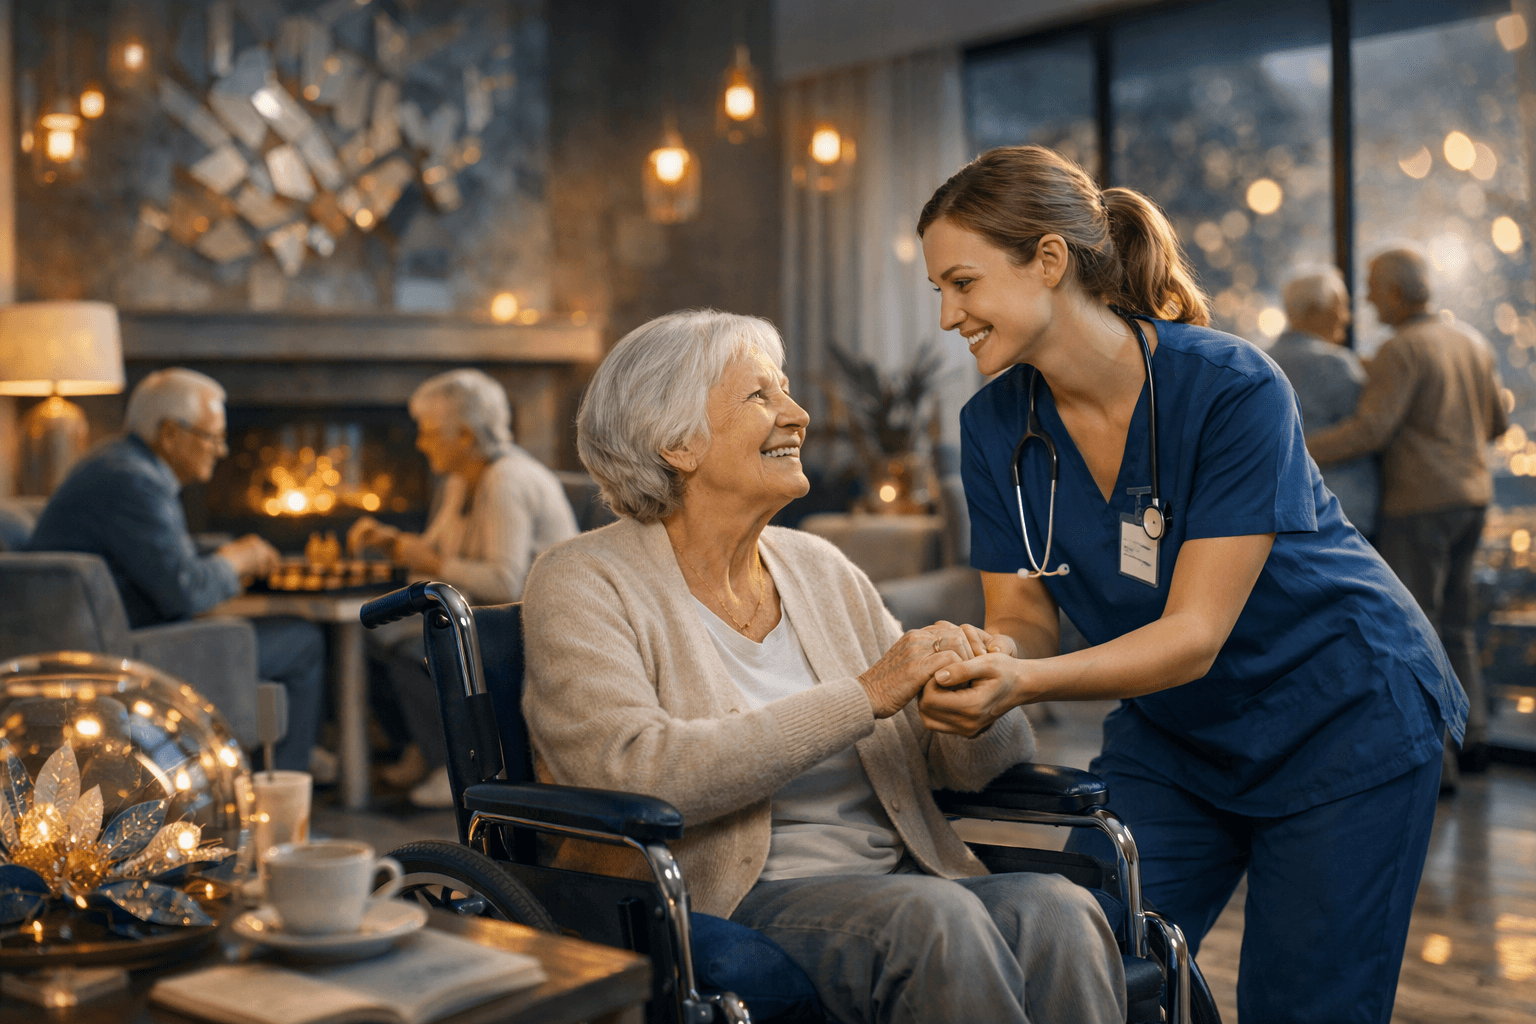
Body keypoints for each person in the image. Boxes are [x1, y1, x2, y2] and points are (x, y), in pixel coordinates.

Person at [914, 146, 1461, 1024]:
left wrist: (1026, 683)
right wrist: (984, 656)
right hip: (1181, 737)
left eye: (963, 283)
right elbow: (1023, 612)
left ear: (1049, 261)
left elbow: (1194, 632)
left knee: (1303, 1003)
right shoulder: (994, 426)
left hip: (1343, 713)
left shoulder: (1230, 387)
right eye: (938, 291)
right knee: (1087, 961)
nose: (949, 315)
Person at [522, 309, 1126, 1024]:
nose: (799, 415)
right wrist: (865, 696)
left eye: (786, 392)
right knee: (935, 922)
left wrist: (980, 701)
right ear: (677, 443)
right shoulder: (582, 580)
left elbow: (964, 771)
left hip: (897, 874)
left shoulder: (819, 567)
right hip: (736, 895)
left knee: (1058, 909)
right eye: (761, 397)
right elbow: (631, 771)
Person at [27, 368, 327, 774]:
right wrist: (238, 559)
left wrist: (226, 552)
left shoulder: (118, 462)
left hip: (104, 635)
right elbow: (184, 591)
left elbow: (159, 555)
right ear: (170, 434)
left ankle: (271, 766)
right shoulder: (133, 480)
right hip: (120, 653)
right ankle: (286, 783)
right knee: (303, 640)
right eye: (212, 437)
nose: (221, 450)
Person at [1306, 249, 1506, 781]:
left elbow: (1370, 430)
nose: (1368, 300)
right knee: (1458, 623)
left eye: (1373, 288)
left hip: (1418, 504)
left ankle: (1435, 765)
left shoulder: (1402, 350)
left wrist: (1294, 445)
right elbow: (1499, 423)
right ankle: (1476, 736)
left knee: (1417, 630)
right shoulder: (1472, 342)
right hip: (1473, 497)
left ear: (1397, 292)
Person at [349, 368, 577, 808]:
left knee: (406, 648)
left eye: (431, 433)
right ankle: (420, 745)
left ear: (467, 436)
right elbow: (434, 552)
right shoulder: (460, 480)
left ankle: (452, 765)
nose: (421, 443)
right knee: (369, 635)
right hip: (480, 616)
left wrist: (429, 562)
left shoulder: (506, 481)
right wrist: (387, 540)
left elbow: (506, 581)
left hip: (525, 626)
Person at [1267, 267, 1380, 538]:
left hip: (1282, 509)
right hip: (1340, 511)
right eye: (1339, 307)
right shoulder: (1335, 364)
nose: (1346, 317)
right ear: (1315, 310)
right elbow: (1371, 429)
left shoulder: (1263, 361)